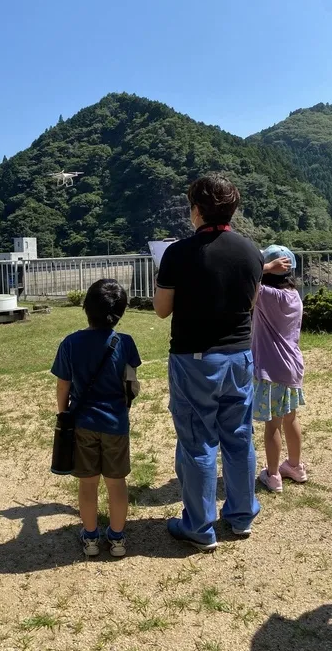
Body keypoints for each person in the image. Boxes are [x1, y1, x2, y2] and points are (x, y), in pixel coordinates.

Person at [153, 173, 285, 551]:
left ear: (196, 210)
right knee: (239, 435)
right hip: (240, 355)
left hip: (195, 357)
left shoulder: (178, 253)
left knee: (198, 441)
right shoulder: (250, 251)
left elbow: (163, 310)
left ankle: (198, 526)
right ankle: (241, 516)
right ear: (232, 208)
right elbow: (251, 302)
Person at [51, 279, 141, 557]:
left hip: (82, 423)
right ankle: (116, 538)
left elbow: (63, 385)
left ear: (86, 308)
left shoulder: (70, 343)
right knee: (116, 483)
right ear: (121, 312)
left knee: (87, 483)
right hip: (115, 423)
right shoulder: (124, 343)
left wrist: (64, 413)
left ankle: (90, 537)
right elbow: (132, 384)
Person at [252, 245, 307, 492]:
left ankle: (273, 475)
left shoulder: (266, 295)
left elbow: (244, 277)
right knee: (290, 418)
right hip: (292, 367)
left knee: (272, 424)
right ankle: (294, 466)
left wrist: (262, 267)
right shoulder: (294, 295)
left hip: (271, 369)